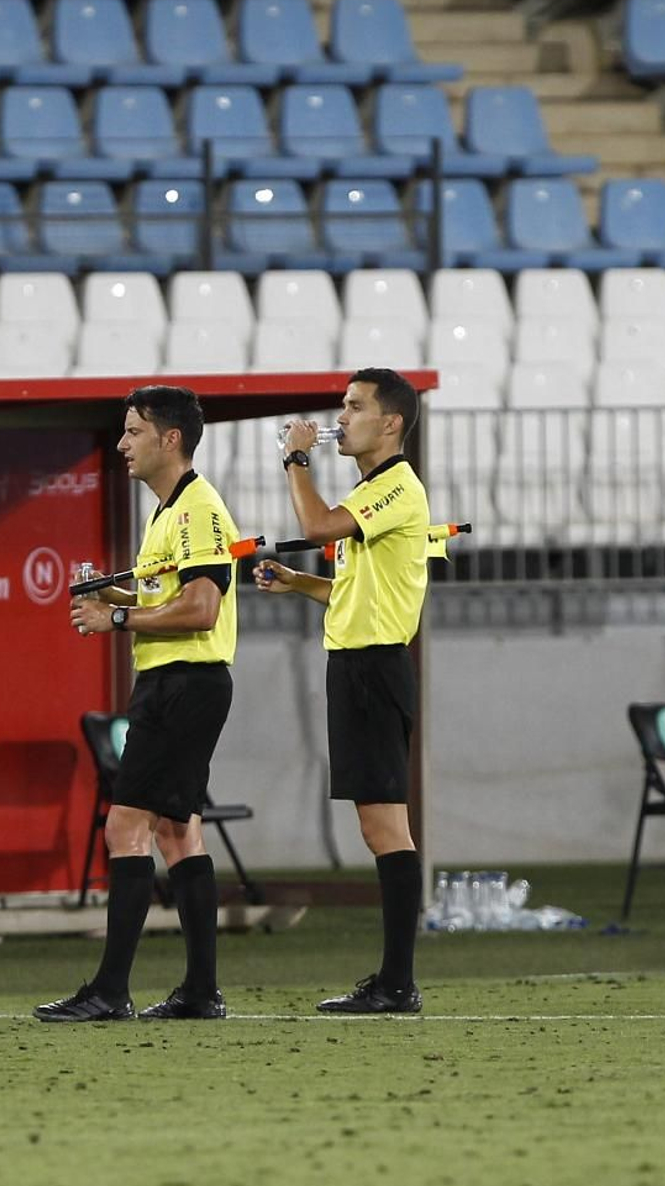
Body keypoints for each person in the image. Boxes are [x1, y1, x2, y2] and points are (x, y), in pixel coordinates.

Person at [36, 386, 239, 1024]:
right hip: (177, 683)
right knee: (179, 832)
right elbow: (176, 594)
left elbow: (203, 606)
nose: (122, 444)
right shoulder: (168, 512)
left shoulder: (199, 509)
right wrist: (117, 588)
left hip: (183, 683)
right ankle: (200, 992)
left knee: (124, 827)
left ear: (169, 438)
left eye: (132, 432)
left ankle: (109, 990)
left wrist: (116, 614)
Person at [255, 367, 430, 1016]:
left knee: (386, 824)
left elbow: (319, 522)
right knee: (376, 823)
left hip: (374, 668)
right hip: (357, 664)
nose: (342, 417)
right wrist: (299, 584)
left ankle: (398, 982)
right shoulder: (374, 493)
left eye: (355, 407)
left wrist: (297, 456)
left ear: (391, 423)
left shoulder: (395, 487)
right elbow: (354, 588)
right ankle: (393, 978)